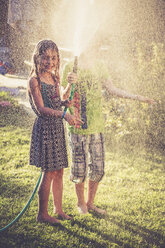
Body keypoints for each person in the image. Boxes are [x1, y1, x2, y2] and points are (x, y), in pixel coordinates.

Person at [61, 47, 156, 215]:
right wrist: (69, 83)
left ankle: (90, 203)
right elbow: (63, 98)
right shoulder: (70, 66)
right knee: (79, 169)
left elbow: (112, 89)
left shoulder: (100, 66)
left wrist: (137, 97)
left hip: (97, 127)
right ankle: (80, 203)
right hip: (77, 127)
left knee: (98, 168)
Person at [28, 39, 82, 224]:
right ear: (37, 58)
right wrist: (64, 115)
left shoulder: (54, 77)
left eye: (53, 58)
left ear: (58, 59)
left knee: (58, 171)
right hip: (45, 129)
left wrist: (67, 90)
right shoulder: (34, 81)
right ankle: (42, 214)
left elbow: (59, 99)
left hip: (57, 128)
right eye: (45, 58)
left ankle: (58, 210)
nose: (50, 62)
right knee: (49, 172)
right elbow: (42, 109)